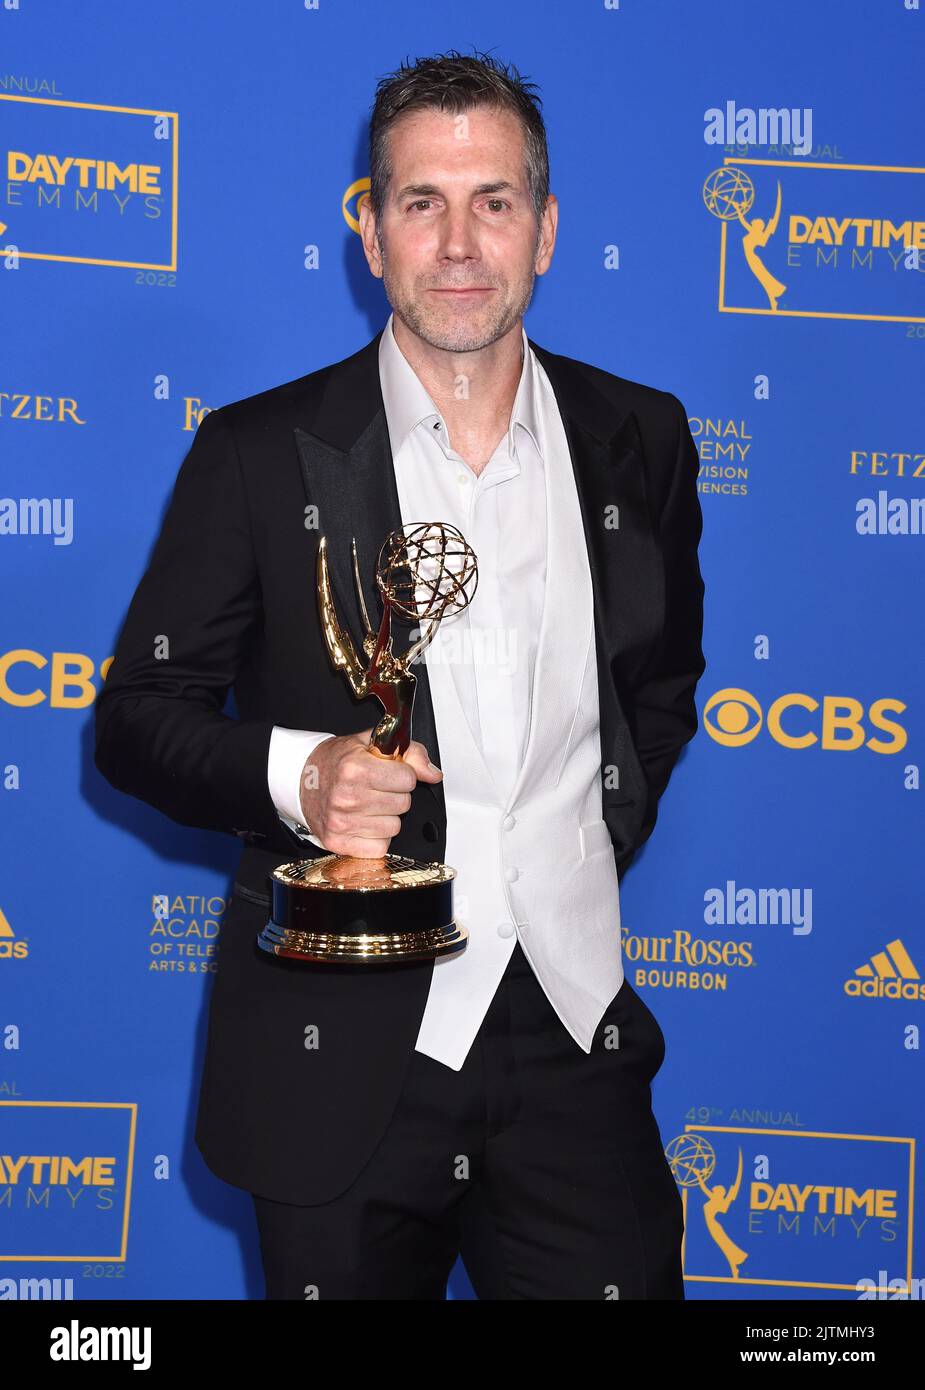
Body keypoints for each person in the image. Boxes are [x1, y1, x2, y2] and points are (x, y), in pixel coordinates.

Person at [94, 49, 706, 1300]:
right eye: (419, 202)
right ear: (369, 234)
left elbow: (657, 688)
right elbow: (137, 721)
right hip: (342, 1043)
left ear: (545, 229)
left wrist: (569, 847)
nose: (459, 241)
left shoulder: (640, 437)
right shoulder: (261, 454)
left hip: (571, 1034)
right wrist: (298, 775)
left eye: (493, 200)